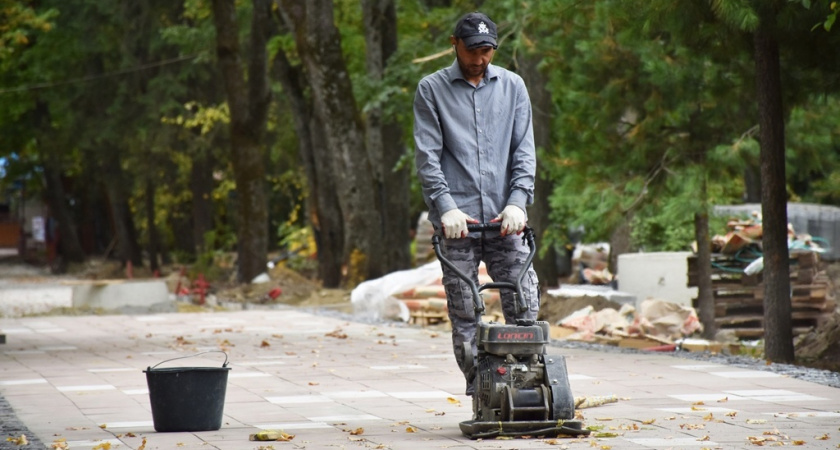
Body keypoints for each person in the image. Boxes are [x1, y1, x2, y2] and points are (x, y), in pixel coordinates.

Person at [413, 11, 540, 396]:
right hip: (459, 224)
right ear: (455, 44)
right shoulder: (431, 89)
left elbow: (524, 152)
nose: (480, 58)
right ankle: (484, 390)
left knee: (524, 306)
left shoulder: (513, 86)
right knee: (466, 311)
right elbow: (427, 157)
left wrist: (518, 201)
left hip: (506, 221)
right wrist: (446, 206)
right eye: (473, 50)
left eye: (487, 50)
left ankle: (527, 383)